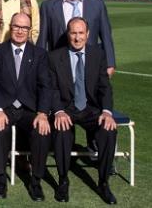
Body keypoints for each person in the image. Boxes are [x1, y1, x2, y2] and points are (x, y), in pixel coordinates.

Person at [0, 12, 51, 201]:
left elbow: (46, 86)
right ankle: (0, 179)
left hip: (30, 109)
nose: (20, 31)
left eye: (24, 28)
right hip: (5, 108)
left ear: (30, 31)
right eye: (16, 26)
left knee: (42, 131)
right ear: (10, 28)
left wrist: (43, 113)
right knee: (0, 128)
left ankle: (35, 181)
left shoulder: (40, 54)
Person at [49, 17, 118, 204]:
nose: (77, 38)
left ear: (87, 35)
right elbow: (52, 89)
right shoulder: (55, 57)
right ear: (68, 34)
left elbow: (105, 87)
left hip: (91, 109)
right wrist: (58, 112)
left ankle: (103, 182)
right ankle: (63, 181)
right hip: (67, 109)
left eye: (81, 33)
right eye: (73, 33)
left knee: (108, 130)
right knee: (62, 131)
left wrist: (106, 112)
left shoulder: (98, 55)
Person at [38, 0, 116, 77]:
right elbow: (42, 40)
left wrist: (110, 64)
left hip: (90, 66)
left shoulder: (97, 5)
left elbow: (106, 36)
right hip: (58, 68)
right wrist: (40, 66)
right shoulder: (48, 6)